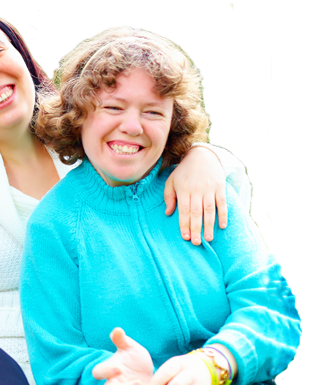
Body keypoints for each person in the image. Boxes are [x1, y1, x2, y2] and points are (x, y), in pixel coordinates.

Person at [0, 11, 250, 385]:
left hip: (97, 362)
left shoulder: (87, 138)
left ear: (24, 62)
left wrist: (203, 157)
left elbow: (226, 199)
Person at [21, 26, 301, 385]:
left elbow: (274, 305)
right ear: (79, 114)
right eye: (113, 107)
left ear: (173, 121)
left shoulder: (204, 189)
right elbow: (58, 363)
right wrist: (116, 378)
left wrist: (215, 363)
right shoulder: (53, 226)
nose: (133, 126)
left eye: (153, 112)